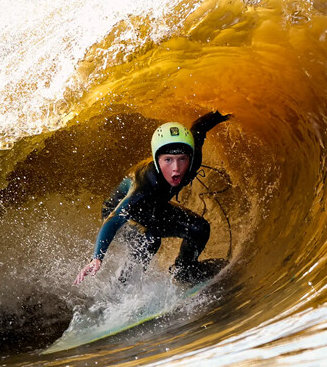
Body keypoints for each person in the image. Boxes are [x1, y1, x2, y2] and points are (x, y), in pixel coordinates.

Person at [74, 111, 231, 286]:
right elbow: (113, 220)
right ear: (157, 160)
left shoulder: (193, 157)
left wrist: (225, 113)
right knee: (150, 239)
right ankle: (124, 286)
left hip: (152, 207)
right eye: (168, 160)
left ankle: (184, 270)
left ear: (190, 157)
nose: (176, 169)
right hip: (118, 212)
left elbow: (199, 127)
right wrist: (97, 258)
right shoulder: (145, 184)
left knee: (198, 228)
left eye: (182, 159)